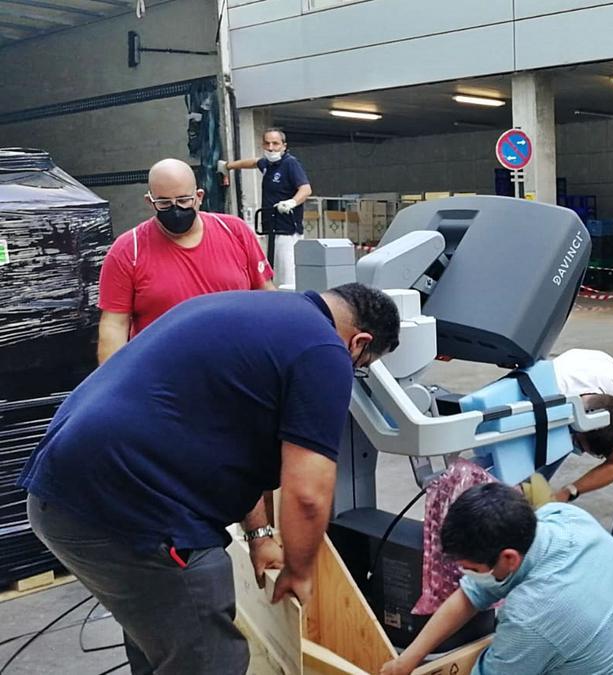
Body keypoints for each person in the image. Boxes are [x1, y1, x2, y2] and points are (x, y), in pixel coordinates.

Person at [19, 283, 400, 675]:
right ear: (358, 343)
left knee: (163, 629)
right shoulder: (324, 350)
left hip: (65, 489)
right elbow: (307, 494)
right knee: (207, 643)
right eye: (360, 366)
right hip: (120, 503)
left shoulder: (259, 312)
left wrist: (259, 535)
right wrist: (300, 573)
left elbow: (237, 444)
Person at [379, 483, 613, 675]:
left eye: (472, 568)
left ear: (508, 558)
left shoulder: (533, 615)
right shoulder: (563, 517)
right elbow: (471, 594)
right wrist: (406, 662)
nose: (467, 575)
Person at [98, 157, 274, 364]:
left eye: (183, 201)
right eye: (164, 203)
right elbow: (114, 325)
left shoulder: (235, 231)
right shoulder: (129, 250)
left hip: (237, 366)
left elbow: (267, 298)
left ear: (199, 196)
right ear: (150, 201)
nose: (176, 210)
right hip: (165, 375)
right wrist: (112, 385)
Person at [543, 348, 613, 555]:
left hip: (604, 402)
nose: (581, 454)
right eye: (581, 446)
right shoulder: (550, 391)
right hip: (559, 411)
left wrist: (568, 491)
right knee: (529, 480)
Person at [220, 127, 312, 287]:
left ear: (284, 145)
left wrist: (291, 202)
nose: (271, 148)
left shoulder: (289, 164)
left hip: (287, 231)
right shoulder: (268, 164)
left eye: (275, 144)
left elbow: (305, 189)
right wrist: (228, 166)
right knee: (271, 276)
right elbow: (254, 162)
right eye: (267, 143)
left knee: (287, 279)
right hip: (270, 228)